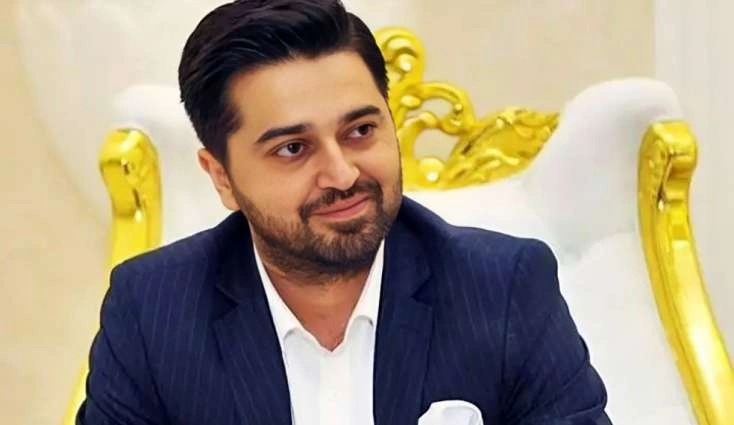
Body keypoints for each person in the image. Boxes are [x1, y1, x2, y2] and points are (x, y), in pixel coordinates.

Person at [77, 1, 610, 424]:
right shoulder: (152, 311)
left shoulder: (504, 288)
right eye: (293, 148)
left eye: (360, 131)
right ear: (222, 177)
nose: (342, 174)